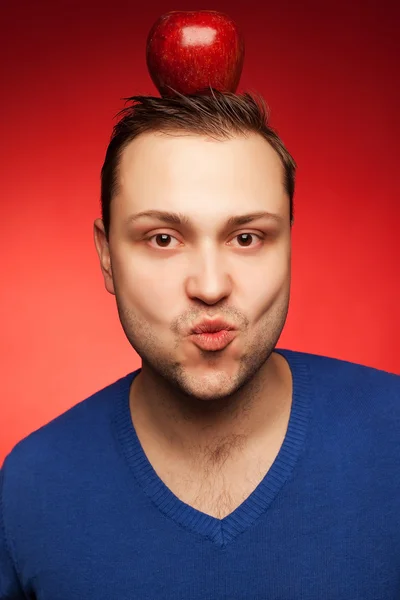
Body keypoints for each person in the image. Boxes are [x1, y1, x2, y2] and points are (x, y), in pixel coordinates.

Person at [1, 90, 399, 600]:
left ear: (290, 244)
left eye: (247, 237)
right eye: (163, 238)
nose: (210, 286)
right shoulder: (29, 489)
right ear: (106, 254)